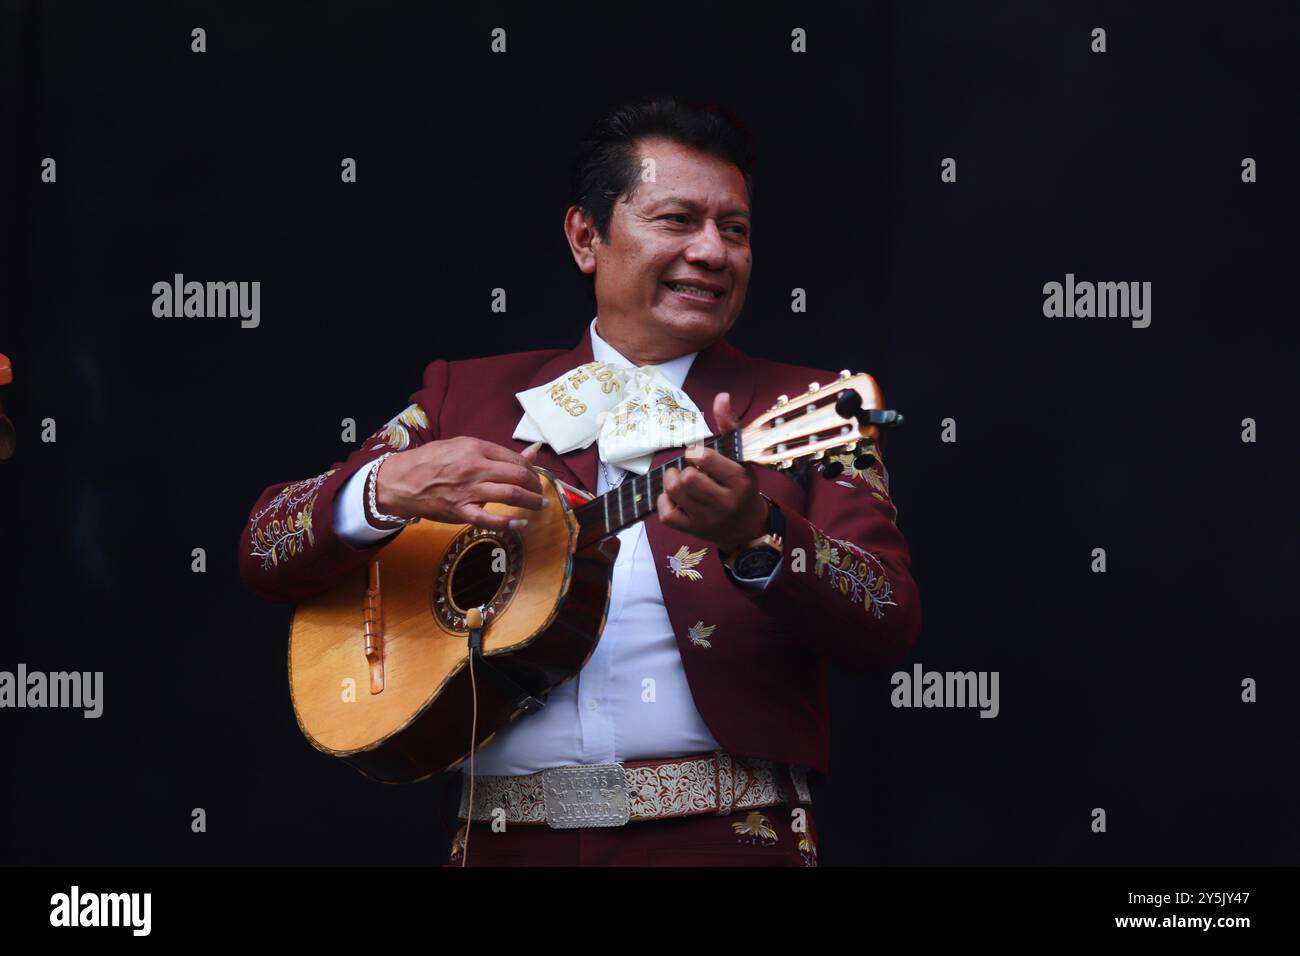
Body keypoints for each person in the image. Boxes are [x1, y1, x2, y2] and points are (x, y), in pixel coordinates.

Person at [237, 97, 921, 866]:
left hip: (726, 841)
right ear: (585, 237)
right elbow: (267, 544)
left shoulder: (811, 407)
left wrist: (756, 536)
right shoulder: (465, 396)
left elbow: (888, 619)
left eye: (735, 229)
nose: (713, 251)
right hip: (505, 845)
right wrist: (383, 488)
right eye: (676, 220)